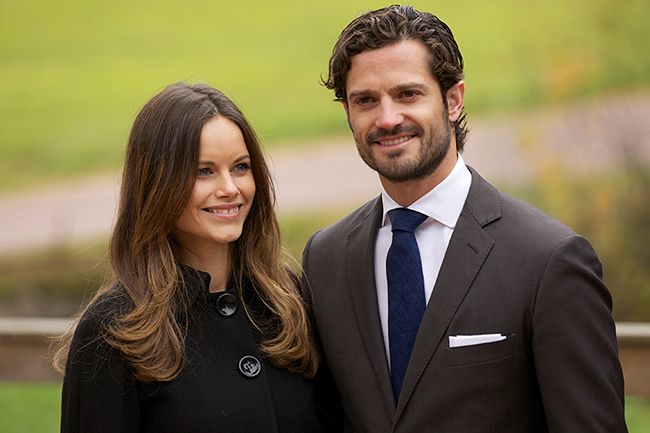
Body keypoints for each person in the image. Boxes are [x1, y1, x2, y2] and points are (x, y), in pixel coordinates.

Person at [302, 5, 627, 433]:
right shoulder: (324, 259)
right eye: (365, 100)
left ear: (453, 100)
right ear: (348, 112)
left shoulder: (549, 261)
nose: (387, 118)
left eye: (408, 94)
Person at [53, 82, 326, 433]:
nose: (230, 188)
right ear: (157, 183)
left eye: (241, 167)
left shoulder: (291, 302)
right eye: (204, 171)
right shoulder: (113, 331)